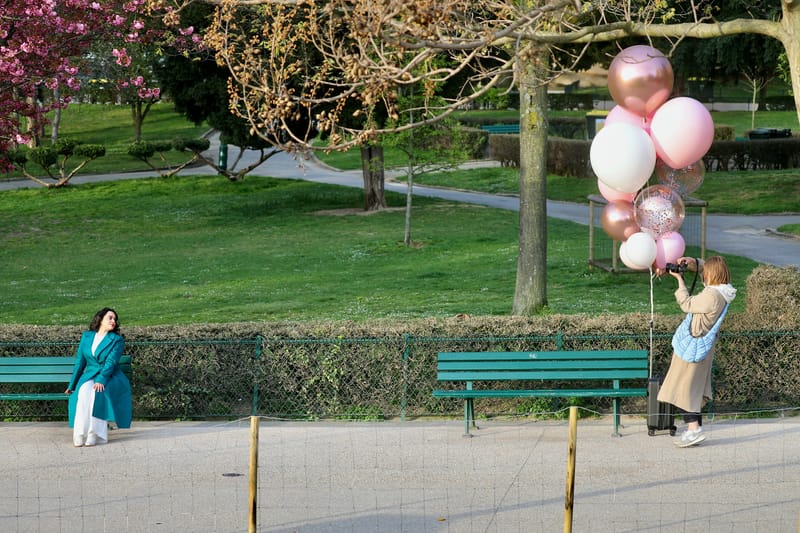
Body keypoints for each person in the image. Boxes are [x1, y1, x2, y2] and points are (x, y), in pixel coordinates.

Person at [658, 256, 736, 448]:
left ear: (712, 274)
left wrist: (679, 280)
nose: (704, 273)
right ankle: (694, 429)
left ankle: (694, 430)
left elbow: (686, 303)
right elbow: (705, 268)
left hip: (693, 347)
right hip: (702, 347)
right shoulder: (723, 291)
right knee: (692, 388)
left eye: (706, 271)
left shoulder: (711, 296)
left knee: (684, 389)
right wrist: (691, 262)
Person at [65, 307, 132, 447]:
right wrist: (72, 385)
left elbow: (111, 362)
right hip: (89, 375)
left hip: (110, 376)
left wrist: (102, 379)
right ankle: (79, 434)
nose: (113, 321)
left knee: (98, 392)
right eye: (110, 318)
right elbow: (80, 362)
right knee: (83, 392)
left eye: (115, 319)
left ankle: (94, 434)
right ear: (100, 319)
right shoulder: (87, 336)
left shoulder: (117, 340)